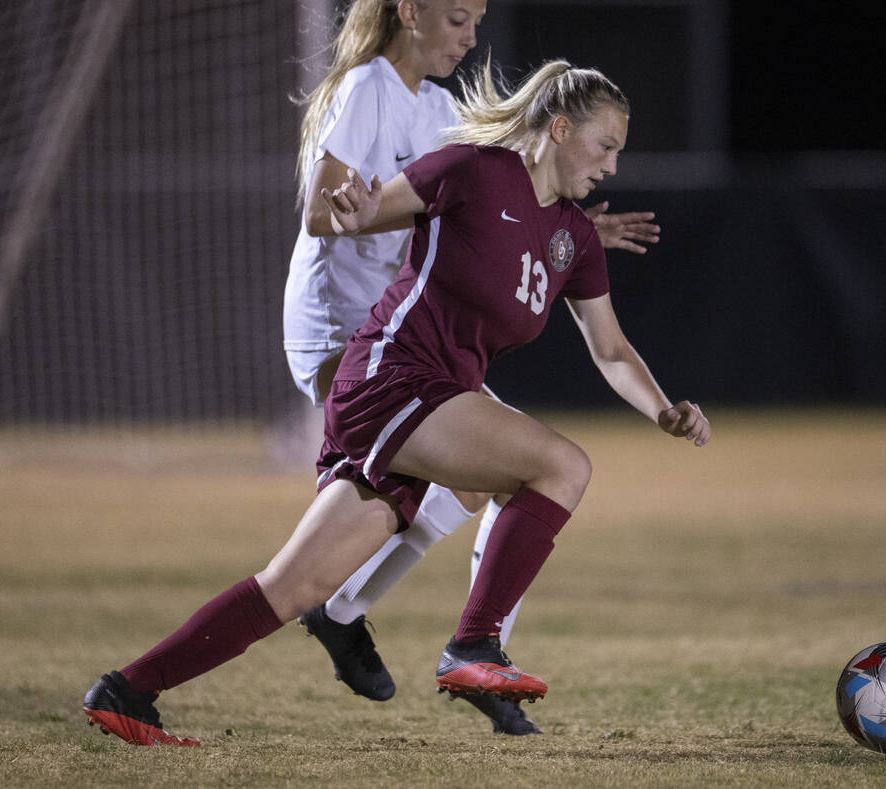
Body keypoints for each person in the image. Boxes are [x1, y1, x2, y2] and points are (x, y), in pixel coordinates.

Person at [83, 59, 710, 748]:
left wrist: (662, 409)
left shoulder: (574, 239)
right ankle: (474, 647)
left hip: (424, 403)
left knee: (290, 587)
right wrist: (349, 208)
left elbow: (612, 349)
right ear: (559, 128)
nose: (613, 166)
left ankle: (128, 690)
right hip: (390, 379)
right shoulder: (472, 170)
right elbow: (356, 213)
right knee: (561, 465)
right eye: (606, 145)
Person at [284, 0, 660, 735]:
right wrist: (359, 207)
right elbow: (323, 215)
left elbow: (483, 196)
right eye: (457, 18)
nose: (471, 36)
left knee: (473, 486)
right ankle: (438, 636)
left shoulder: (438, 106)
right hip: (346, 333)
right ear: (409, 12)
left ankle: (404, 630)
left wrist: (569, 228)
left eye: (477, 20)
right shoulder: (368, 89)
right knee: (513, 473)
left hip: (407, 339)